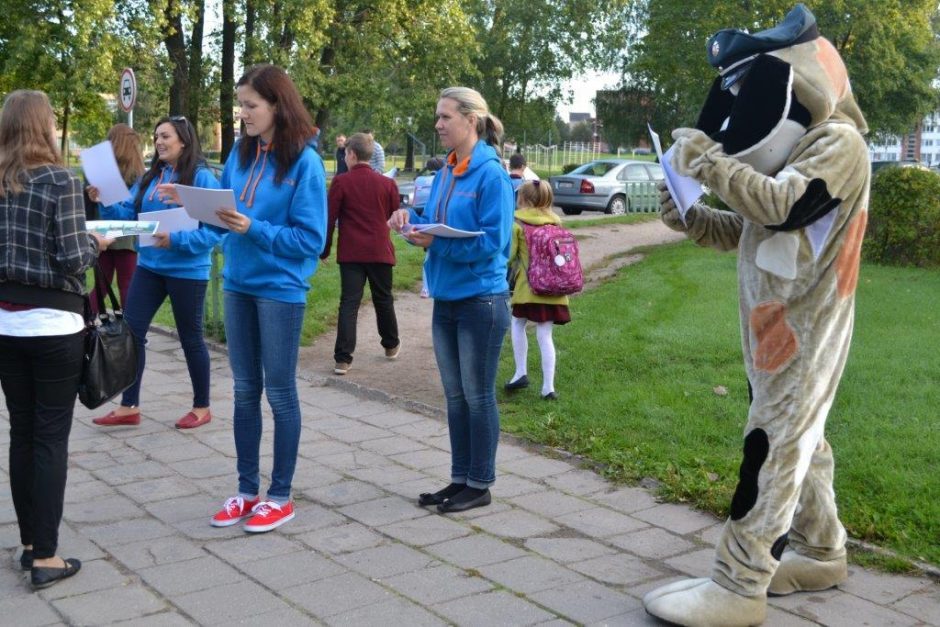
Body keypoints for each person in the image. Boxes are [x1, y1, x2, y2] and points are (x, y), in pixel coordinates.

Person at [642, 6, 870, 626]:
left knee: (772, 448)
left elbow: (782, 206)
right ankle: (822, 551)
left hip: (808, 332)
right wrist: (686, 211)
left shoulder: (838, 144)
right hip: (771, 332)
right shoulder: (796, 151)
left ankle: (740, 584)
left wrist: (708, 162)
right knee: (804, 441)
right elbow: (744, 229)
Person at [185, 64, 327, 533]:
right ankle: (247, 491)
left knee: (280, 393)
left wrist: (255, 229)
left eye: (251, 105)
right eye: (241, 104)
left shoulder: (303, 162)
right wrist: (190, 206)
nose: (242, 113)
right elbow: (224, 216)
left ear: (276, 106)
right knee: (245, 391)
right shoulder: (240, 154)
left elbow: (310, 239)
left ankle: (281, 496)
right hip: (238, 284)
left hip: (280, 291)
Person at [0, 89, 108, 589]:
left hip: (6, 324)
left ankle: (28, 543)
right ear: (44, 126)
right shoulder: (59, 179)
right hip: (52, 325)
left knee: (22, 433)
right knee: (48, 438)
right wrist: (95, 241)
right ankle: (45, 556)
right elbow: (71, 260)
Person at [388, 86, 514, 514]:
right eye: (437, 117)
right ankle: (460, 479)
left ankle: (480, 484)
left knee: (478, 395)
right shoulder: (445, 172)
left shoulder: (491, 174)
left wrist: (434, 244)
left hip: (482, 301)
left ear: (471, 121)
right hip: (447, 299)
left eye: (445, 117)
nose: (438, 125)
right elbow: (435, 224)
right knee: (456, 396)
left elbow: (494, 244)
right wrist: (409, 220)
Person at [90, 115, 222, 431]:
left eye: (166, 136)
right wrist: (104, 198)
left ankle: (201, 406)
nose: (159, 142)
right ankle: (129, 406)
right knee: (132, 335)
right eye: (157, 136)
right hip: (149, 267)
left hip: (187, 271)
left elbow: (216, 231)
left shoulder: (202, 178)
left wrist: (176, 239)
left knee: (190, 338)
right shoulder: (153, 176)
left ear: (184, 141)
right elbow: (127, 214)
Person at [321, 132, 401, 375]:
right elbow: (393, 214)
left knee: (349, 303)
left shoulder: (341, 182)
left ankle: (343, 359)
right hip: (379, 249)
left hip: (352, 252)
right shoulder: (388, 184)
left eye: (345, 153)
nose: (344, 157)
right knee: (384, 298)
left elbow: (330, 218)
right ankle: (390, 344)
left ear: (352, 154)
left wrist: (324, 249)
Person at [504, 180, 571, 400]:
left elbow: (509, 257)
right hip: (554, 289)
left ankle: (520, 372)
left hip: (528, 289)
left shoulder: (518, 225)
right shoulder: (556, 223)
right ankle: (548, 387)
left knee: (517, 324)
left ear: (522, 200)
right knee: (545, 334)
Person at [84, 124, 144, 313]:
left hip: (100, 232)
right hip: (125, 235)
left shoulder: (98, 168)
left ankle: (84, 320)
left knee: (102, 284)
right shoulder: (136, 173)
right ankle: (130, 332)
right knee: (127, 284)